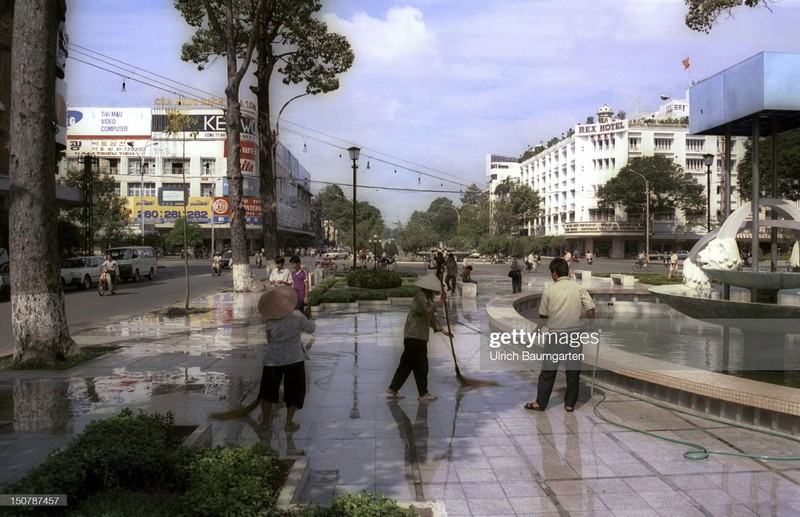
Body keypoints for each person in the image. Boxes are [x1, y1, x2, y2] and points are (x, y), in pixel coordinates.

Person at [524, 258, 595, 413]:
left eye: (552, 272)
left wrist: (537, 329)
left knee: (548, 371)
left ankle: (540, 403)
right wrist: (591, 326)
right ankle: (569, 404)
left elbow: (543, 316)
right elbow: (590, 308)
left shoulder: (549, 291)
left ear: (555, 273)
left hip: (556, 335)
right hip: (574, 335)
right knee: (573, 371)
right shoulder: (578, 288)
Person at [257, 286, 316, 431]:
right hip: (294, 359)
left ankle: (265, 421)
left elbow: (269, 340)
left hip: (273, 360)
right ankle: (289, 422)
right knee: (294, 391)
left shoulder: (270, 321)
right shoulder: (296, 315)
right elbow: (311, 329)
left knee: (267, 392)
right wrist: (310, 317)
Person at [387, 274, 452, 402]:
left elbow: (430, 318)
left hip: (417, 337)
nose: (436, 292)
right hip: (415, 337)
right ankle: (423, 393)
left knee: (407, 365)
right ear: (429, 289)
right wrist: (440, 302)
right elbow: (428, 311)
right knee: (421, 365)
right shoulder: (420, 297)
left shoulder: (426, 298)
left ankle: (393, 389)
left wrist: (443, 330)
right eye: (435, 290)